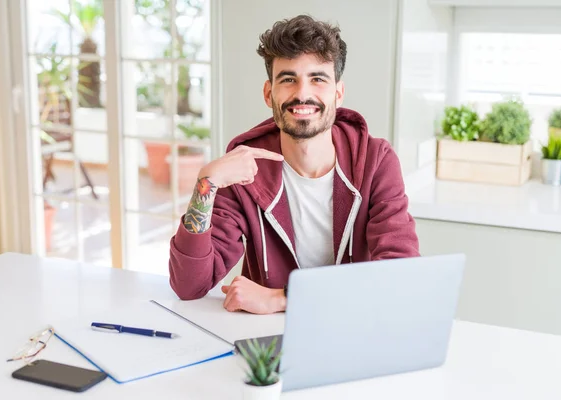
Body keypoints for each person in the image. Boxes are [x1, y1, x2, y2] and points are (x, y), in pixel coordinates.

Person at [168, 14, 420, 315]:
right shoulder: (245, 169)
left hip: (353, 326)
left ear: (338, 93)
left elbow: (400, 276)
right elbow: (189, 286)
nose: (302, 93)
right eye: (288, 79)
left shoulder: (376, 161)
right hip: (265, 338)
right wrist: (204, 186)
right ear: (268, 93)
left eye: (318, 78)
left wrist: (282, 298)